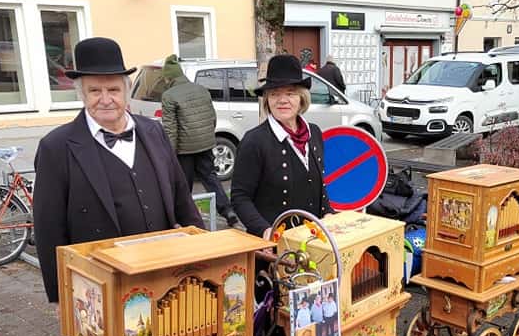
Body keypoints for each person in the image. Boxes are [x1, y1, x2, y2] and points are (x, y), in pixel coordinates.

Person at [33, 37, 204, 303]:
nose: (105, 100)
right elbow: (49, 229)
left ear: (126, 91)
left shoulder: (154, 131)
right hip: (101, 282)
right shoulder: (56, 147)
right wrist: (61, 297)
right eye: (94, 91)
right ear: (82, 94)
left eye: (113, 90)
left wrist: (203, 256)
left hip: (164, 273)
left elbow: (182, 198)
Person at [231, 54, 331, 238]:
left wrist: (329, 217)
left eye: (290, 93)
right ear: (267, 100)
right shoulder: (254, 141)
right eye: (275, 94)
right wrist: (265, 230)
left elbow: (319, 188)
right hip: (274, 248)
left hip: (314, 241)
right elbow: (240, 198)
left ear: (302, 98)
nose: (282, 100)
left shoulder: (314, 133)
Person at [158, 55, 242, 229]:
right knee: (210, 178)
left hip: (184, 150)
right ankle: (228, 211)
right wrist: (207, 138)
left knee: (183, 186)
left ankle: (183, 220)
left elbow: (170, 129)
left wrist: (169, 156)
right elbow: (212, 117)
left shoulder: (168, 96)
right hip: (205, 144)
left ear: (169, 77)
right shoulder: (201, 89)